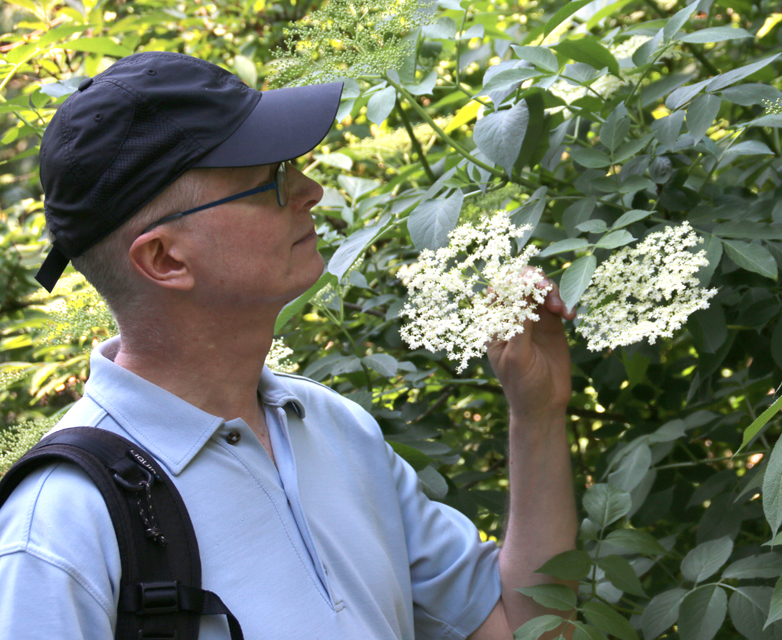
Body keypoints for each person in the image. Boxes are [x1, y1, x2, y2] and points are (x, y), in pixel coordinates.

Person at [0, 51, 578, 639]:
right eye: (271, 178)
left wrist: (536, 415)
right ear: (165, 259)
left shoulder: (334, 428)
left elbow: (530, 629)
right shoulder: (59, 527)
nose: (312, 190)